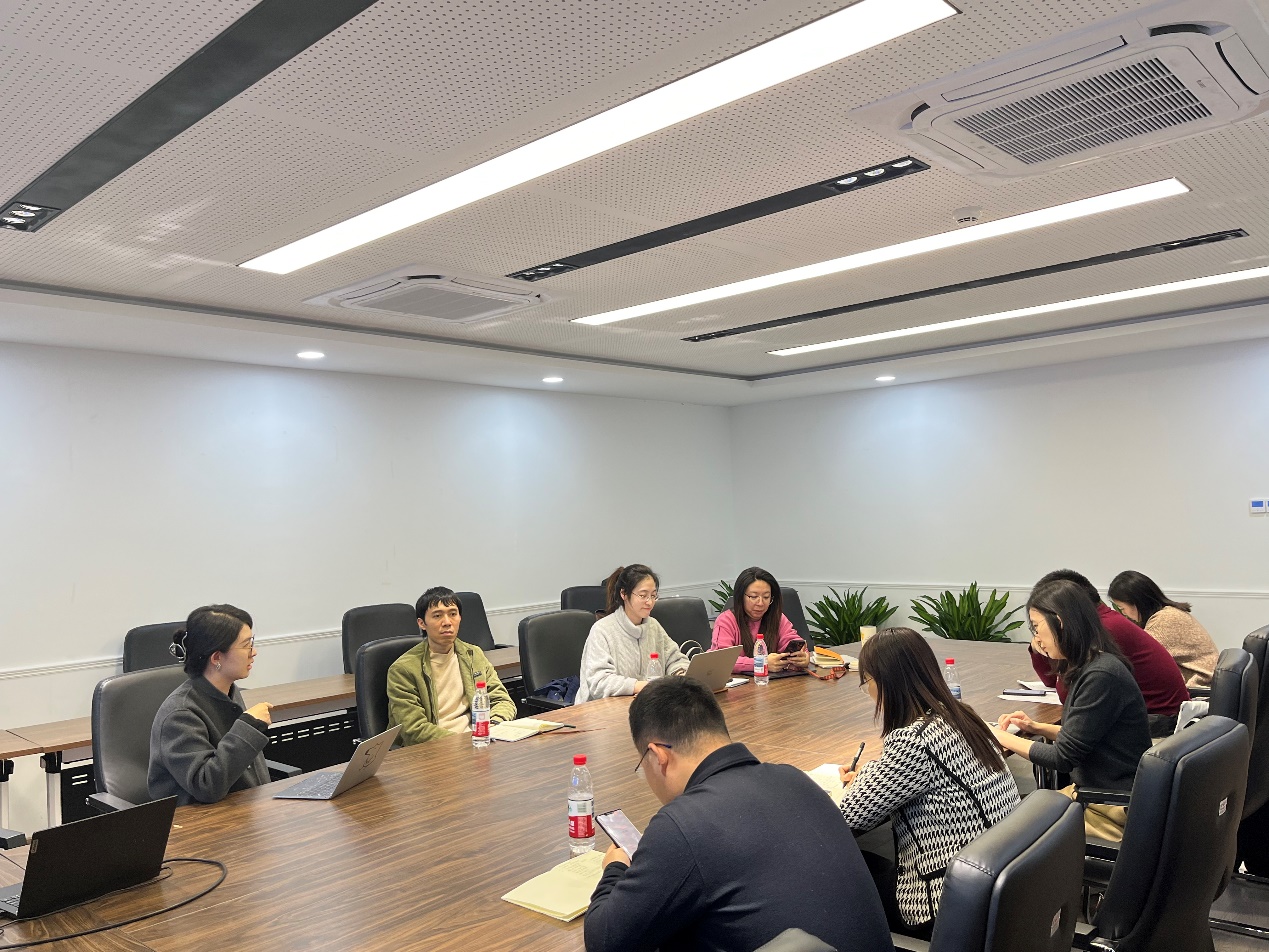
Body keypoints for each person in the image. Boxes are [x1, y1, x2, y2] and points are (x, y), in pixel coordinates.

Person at [584, 677, 894, 952]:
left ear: (658, 755)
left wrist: (615, 868)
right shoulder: (794, 778)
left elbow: (605, 941)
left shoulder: (683, 824)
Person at [837, 628, 1020, 939]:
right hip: (995, 888)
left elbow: (848, 816)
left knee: (833, 870)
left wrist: (862, 781)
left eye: (866, 682)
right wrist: (873, 775)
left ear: (884, 683)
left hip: (942, 903)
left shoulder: (913, 740)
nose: (868, 692)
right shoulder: (961, 715)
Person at [992, 579, 1152, 842]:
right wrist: (1035, 727)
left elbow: (1062, 757)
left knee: (1005, 829)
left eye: (1037, 628)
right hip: (1103, 794)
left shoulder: (1100, 676)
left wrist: (998, 736)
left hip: (1109, 806)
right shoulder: (1095, 664)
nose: (1036, 639)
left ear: (1060, 622)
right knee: (1013, 812)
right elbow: (1085, 736)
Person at [1029, 569, 1189, 736]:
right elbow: (1052, 681)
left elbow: (1071, 696)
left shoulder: (1103, 630)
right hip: (1154, 720)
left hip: (1157, 725)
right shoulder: (1102, 622)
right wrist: (1041, 647)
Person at [148, 604, 275, 805]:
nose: (254, 652)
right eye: (246, 645)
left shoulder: (228, 691)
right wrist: (249, 727)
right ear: (216, 657)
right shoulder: (180, 714)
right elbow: (206, 786)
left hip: (240, 809)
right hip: (199, 820)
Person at [387, 587, 516, 745]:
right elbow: (413, 728)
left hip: (478, 740)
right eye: (437, 616)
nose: (447, 622)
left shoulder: (473, 655)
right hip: (436, 747)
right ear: (422, 623)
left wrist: (492, 726)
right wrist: (463, 742)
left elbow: (502, 700)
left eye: (453, 614)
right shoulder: (403, 669)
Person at [576, 565, 689, 704]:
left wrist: (682, 674)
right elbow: (599, 682)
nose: (649, 602)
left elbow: (675, 659)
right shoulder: (602, 630)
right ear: (624, 594)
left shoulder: (653, 626)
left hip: (644, 704)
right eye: (643, 595)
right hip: (600, 709)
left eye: (653, 595)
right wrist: (641, 686)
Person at [1108, 570, 1219, 689]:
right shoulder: (1169, 613)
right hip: (1204, 683)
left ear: (1137, 603)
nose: (1124, 613)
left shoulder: (1164, 620)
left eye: (1122, 608)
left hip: (1199, 687)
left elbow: (1140, 660)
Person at [710, 566, 809, 675]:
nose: (760, 603)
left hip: (772, 682)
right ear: (740, 597)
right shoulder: (726, 621)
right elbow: (721, 660)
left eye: (766, 597)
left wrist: (803, 657)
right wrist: (761, 663)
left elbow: (792, 640)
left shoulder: (777, 618)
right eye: (754, 597)